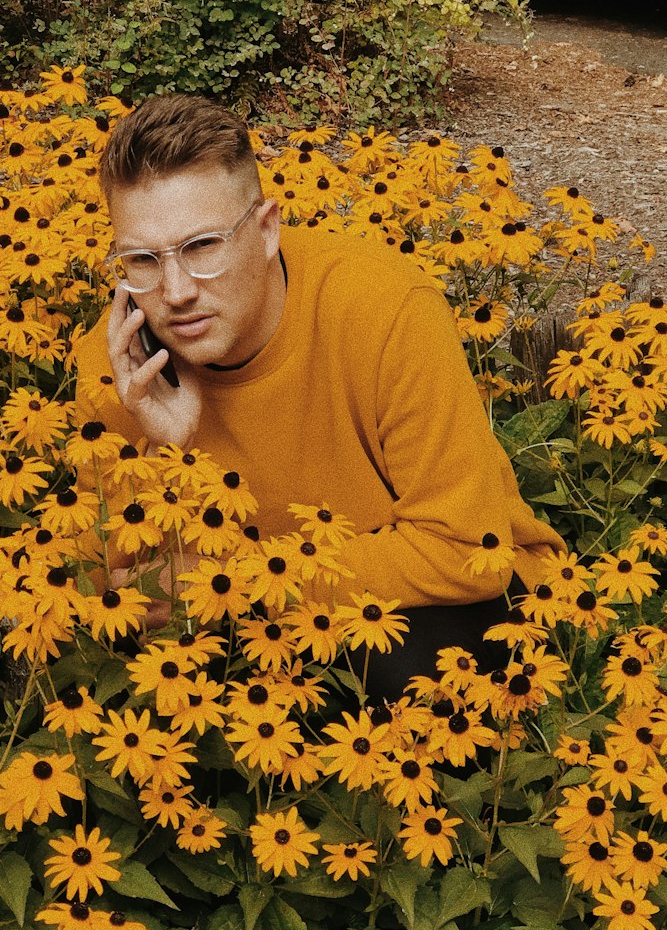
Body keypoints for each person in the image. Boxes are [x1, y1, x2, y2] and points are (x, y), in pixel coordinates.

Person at [75, 94, 564, 700]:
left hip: (434, 608)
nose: (174, 292)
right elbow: (109, 585)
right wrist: (160, 449)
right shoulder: (116, 360)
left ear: (265, 230)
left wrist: (233, 581)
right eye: (142, 259)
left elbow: (464, 550)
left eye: (202, 247)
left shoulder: (383, 310)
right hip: (253, 632)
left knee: (399, 669)